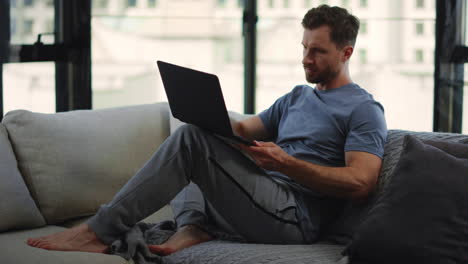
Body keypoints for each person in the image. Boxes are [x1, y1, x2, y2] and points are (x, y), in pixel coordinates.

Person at [26, 4, 387, 256]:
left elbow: (361, 182)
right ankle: (194, 226)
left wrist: (287, 165)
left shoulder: (363, 109)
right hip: (265, 197)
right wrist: (203, 112)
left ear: (346, 53)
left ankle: (96, 231)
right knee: (195, 130)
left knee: (189, 142)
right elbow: (245, 127)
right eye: (304, 48)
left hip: (297, 218)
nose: (306, 59)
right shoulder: (296, 97)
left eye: (318, 52)